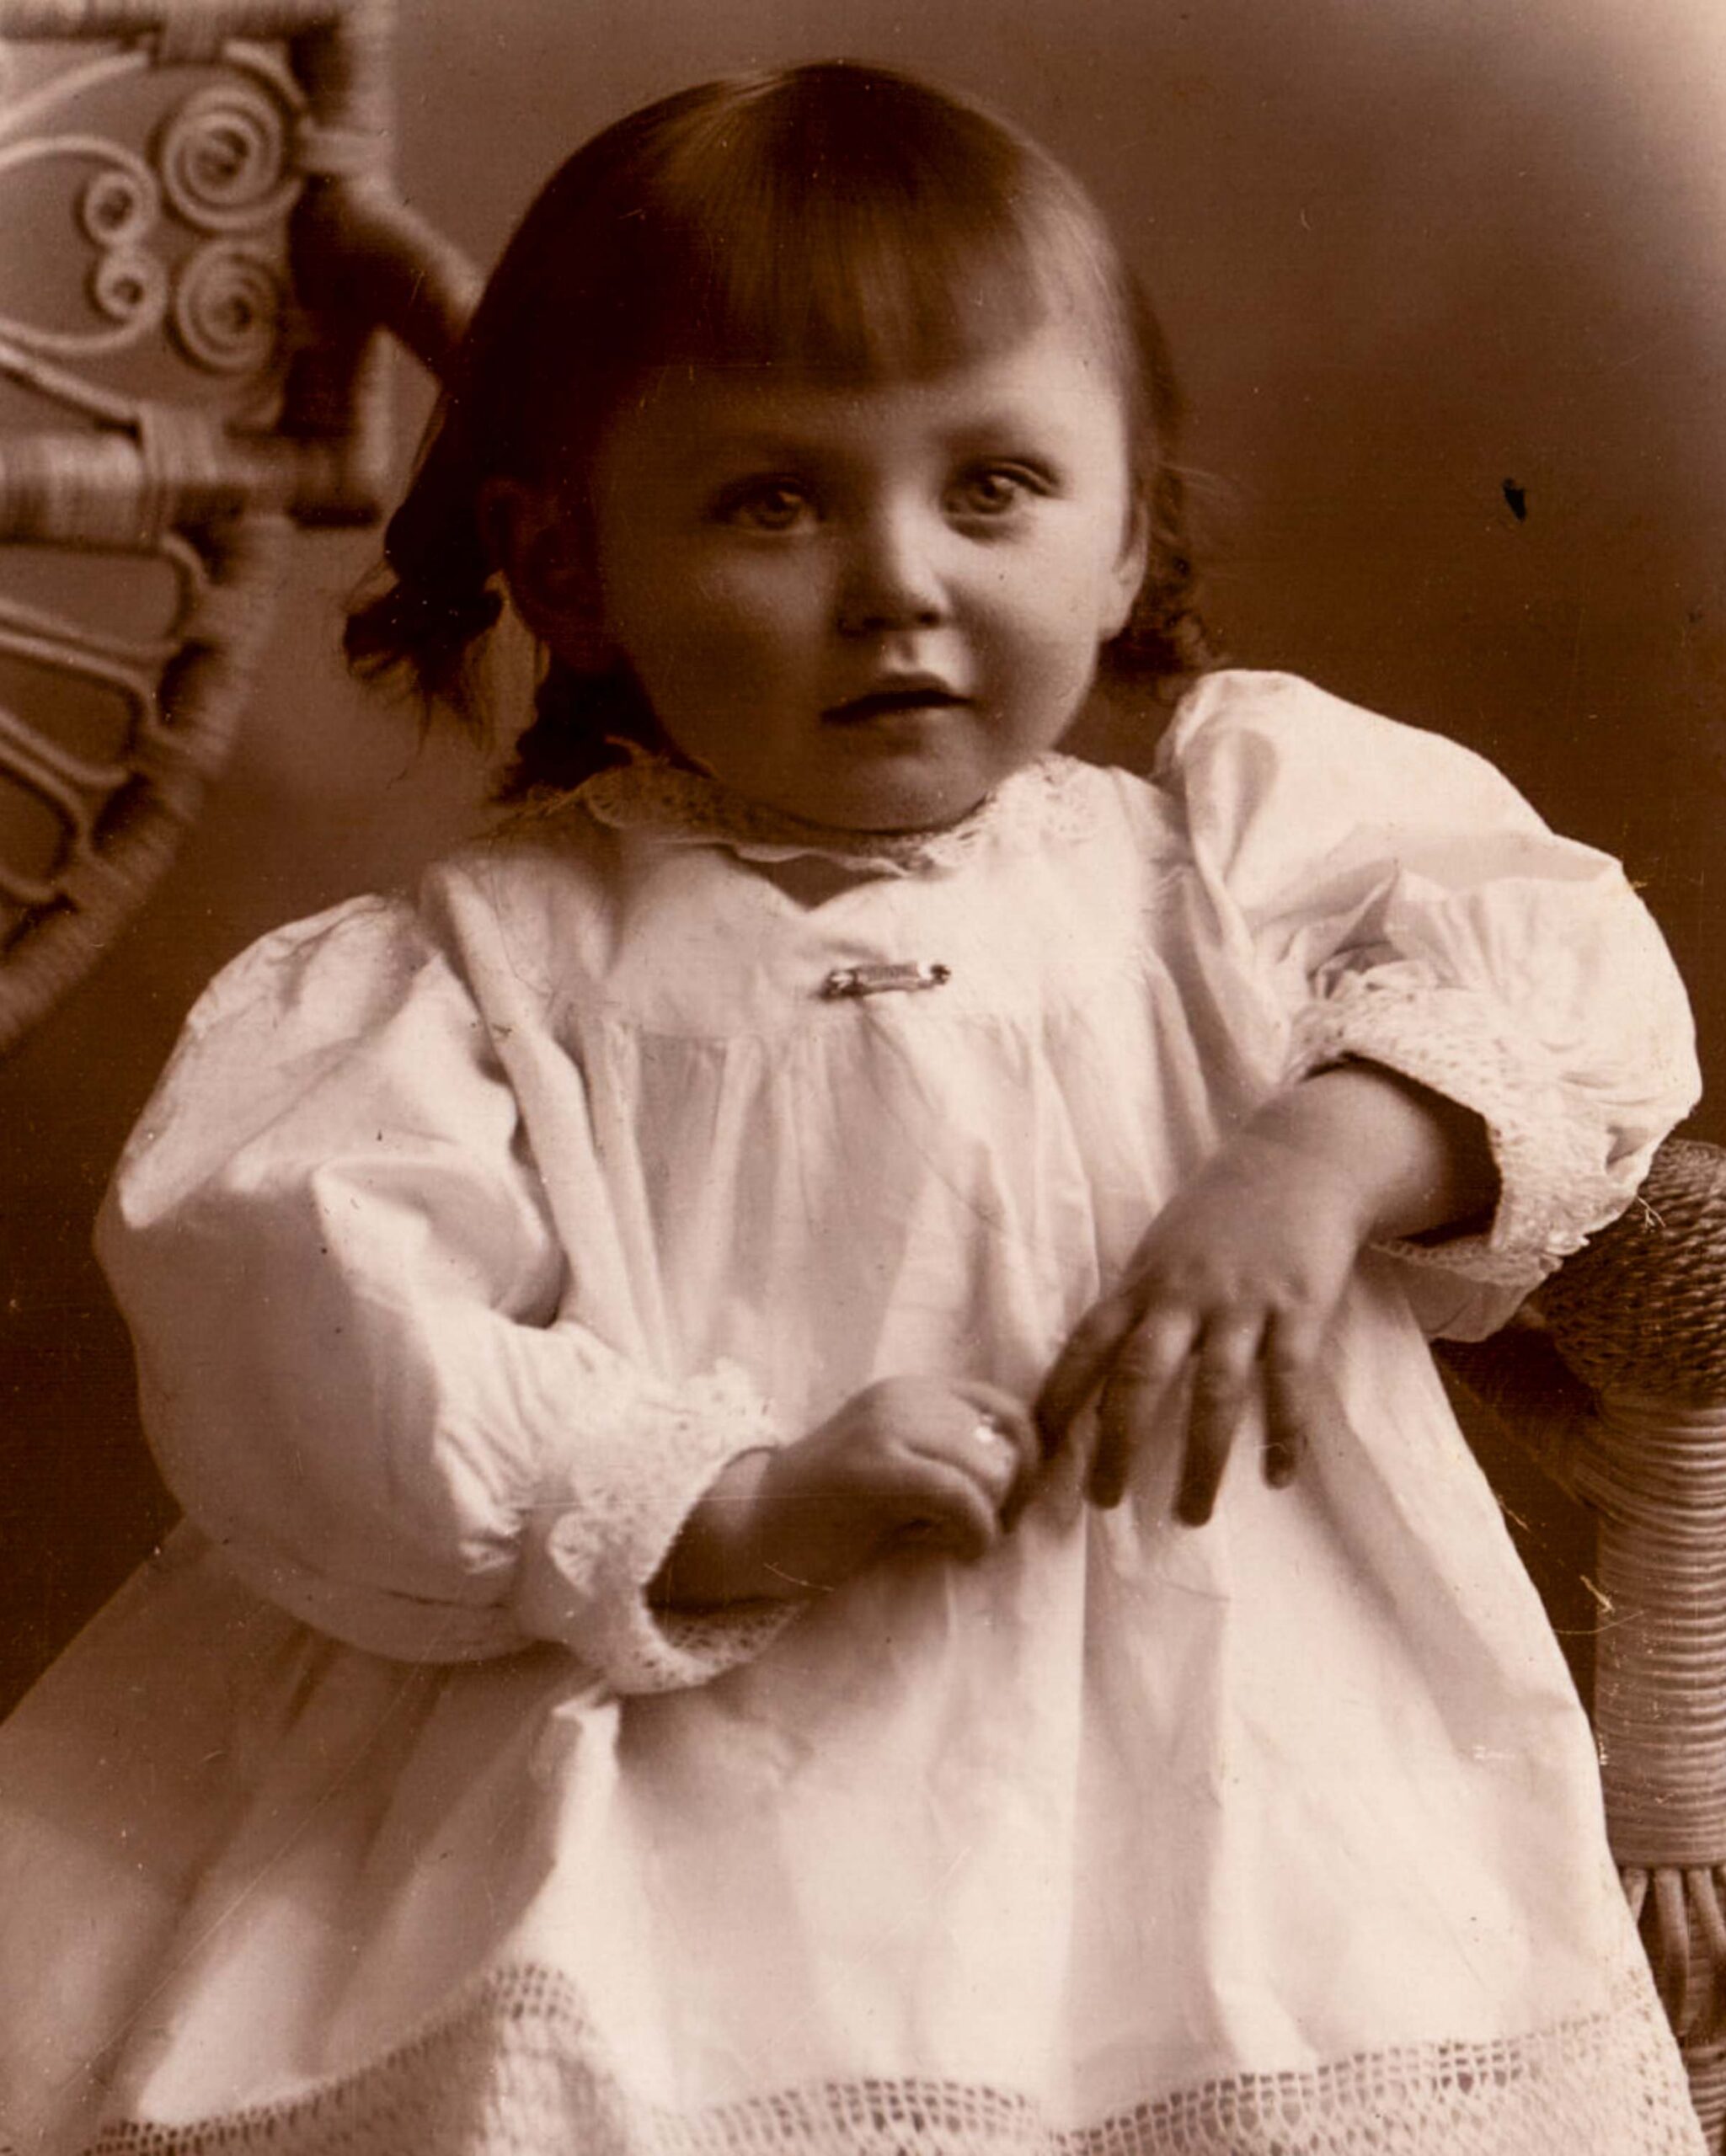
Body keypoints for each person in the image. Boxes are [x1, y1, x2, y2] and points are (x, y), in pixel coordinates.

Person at [0, 60, 1706, 2156]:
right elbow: (315, 1319)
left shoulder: (1231, 867)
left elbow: (1567, 983)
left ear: (1124, 539)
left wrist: (1315, 1154)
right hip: (673, 1778)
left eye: (989, 486)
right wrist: (713, 1499)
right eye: (770, 501)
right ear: (568, 572)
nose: (894, 578)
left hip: (1227, 1767)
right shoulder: (483, 971)